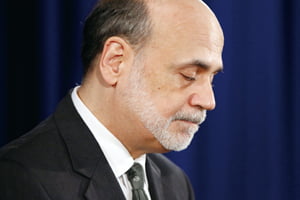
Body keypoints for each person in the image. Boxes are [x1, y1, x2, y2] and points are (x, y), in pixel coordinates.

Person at [0, 0, 224, 199]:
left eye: (212, 79)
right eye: (189, 75)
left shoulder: (175, 183)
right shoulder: (20, 177)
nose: (208, 101)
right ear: (115, 61)